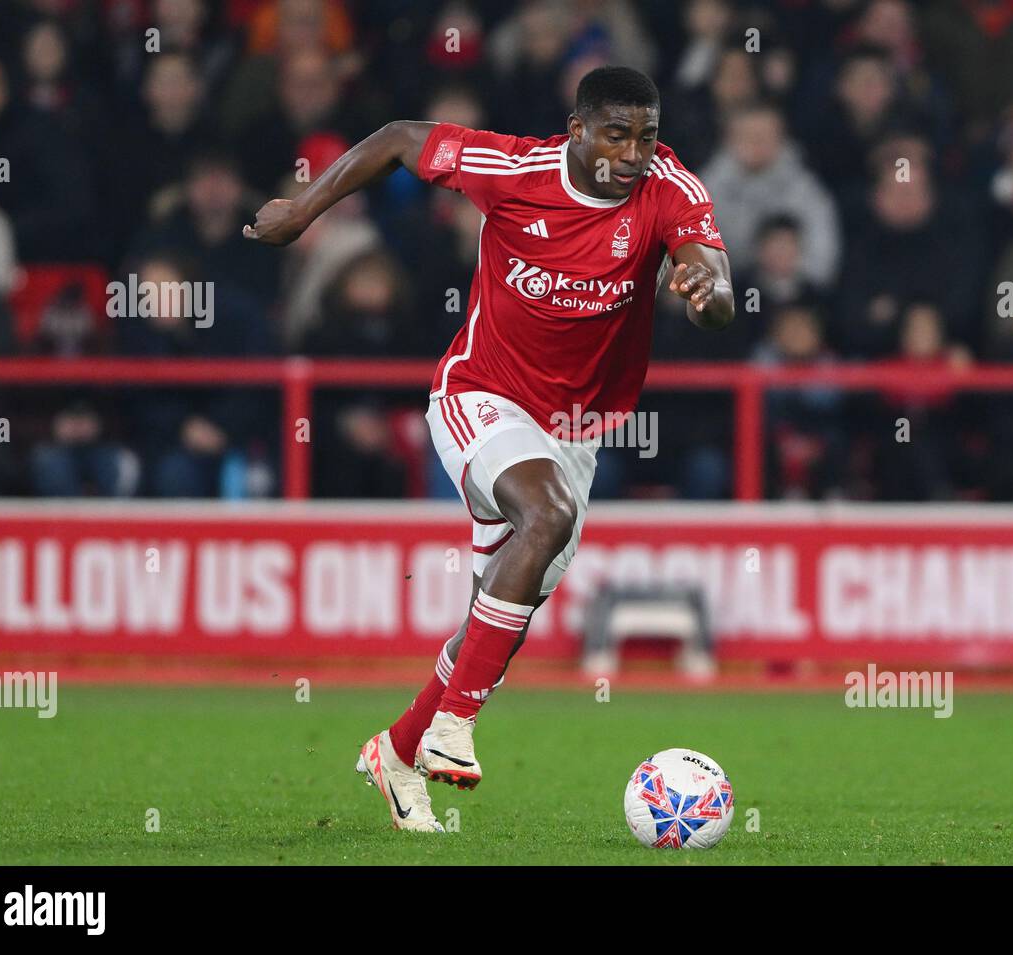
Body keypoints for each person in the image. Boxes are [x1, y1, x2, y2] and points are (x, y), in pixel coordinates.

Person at [245, 65, 734, 833]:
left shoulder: (670, 187)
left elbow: (716, 277)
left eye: (646, 135)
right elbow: (401, 140)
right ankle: (454, 728)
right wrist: (305, 209)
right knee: (546, 514)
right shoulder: (514, 170)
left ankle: (399, 750)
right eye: (616, 133)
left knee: (499, 611)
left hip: (575, 428)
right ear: (576, 130)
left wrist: (707, 293)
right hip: (481, 393)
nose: (633, 152)